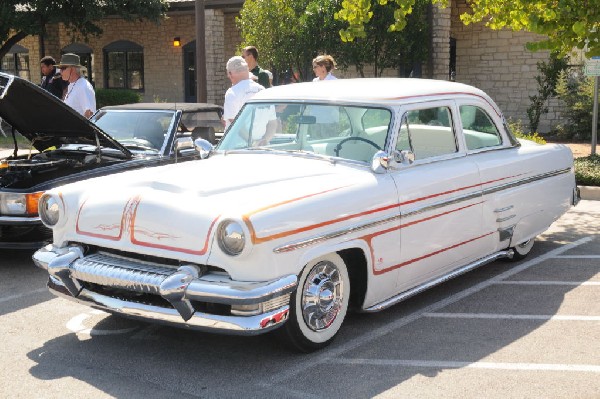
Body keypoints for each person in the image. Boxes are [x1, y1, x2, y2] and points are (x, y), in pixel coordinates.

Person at [222, 56, 265, 130]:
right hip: (262, 140)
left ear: (230, 73)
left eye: (228, 74)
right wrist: (264, 139)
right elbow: (272, 122)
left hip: (238, 141)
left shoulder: (232, 92)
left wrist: (250, 141)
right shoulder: (262, 90)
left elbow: (235, 124)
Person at [57, 53, 96, 118]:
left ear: (72, 69)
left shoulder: (83, 86)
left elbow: (90, 114)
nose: (60, 71)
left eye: (63, 68)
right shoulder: (72, 85)